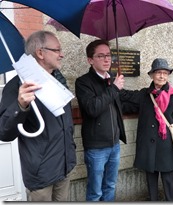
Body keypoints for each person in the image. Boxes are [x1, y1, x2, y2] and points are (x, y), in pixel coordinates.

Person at [0, 30, 76, 201]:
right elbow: (4, 132)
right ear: (40, 53)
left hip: (64, 166)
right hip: (41, 174)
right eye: (57, 50)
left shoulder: (59, 81)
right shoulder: (18, 86)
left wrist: (70, 153)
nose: (62, 54)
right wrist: (20, 105)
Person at [121, 58, 173, 201]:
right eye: (158, 72)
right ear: (152, 75)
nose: (162, 76)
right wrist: (114, 86)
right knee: (151, 180)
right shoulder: (144, 94)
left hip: (165, 146)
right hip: (147, 145)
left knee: (168, 179)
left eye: (165, 73)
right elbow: (126, 96)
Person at [75, 40, 126, 201]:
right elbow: (92, 108)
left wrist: (151, 92)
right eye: (101, 56)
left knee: (110, 186)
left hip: (114, 145)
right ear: (90, 60)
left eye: (109, 55)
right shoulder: (83, 82)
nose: (107, 59)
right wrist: (114, 88)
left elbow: (123, 99)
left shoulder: (111, 80)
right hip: (96, 148)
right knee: (95, 192)